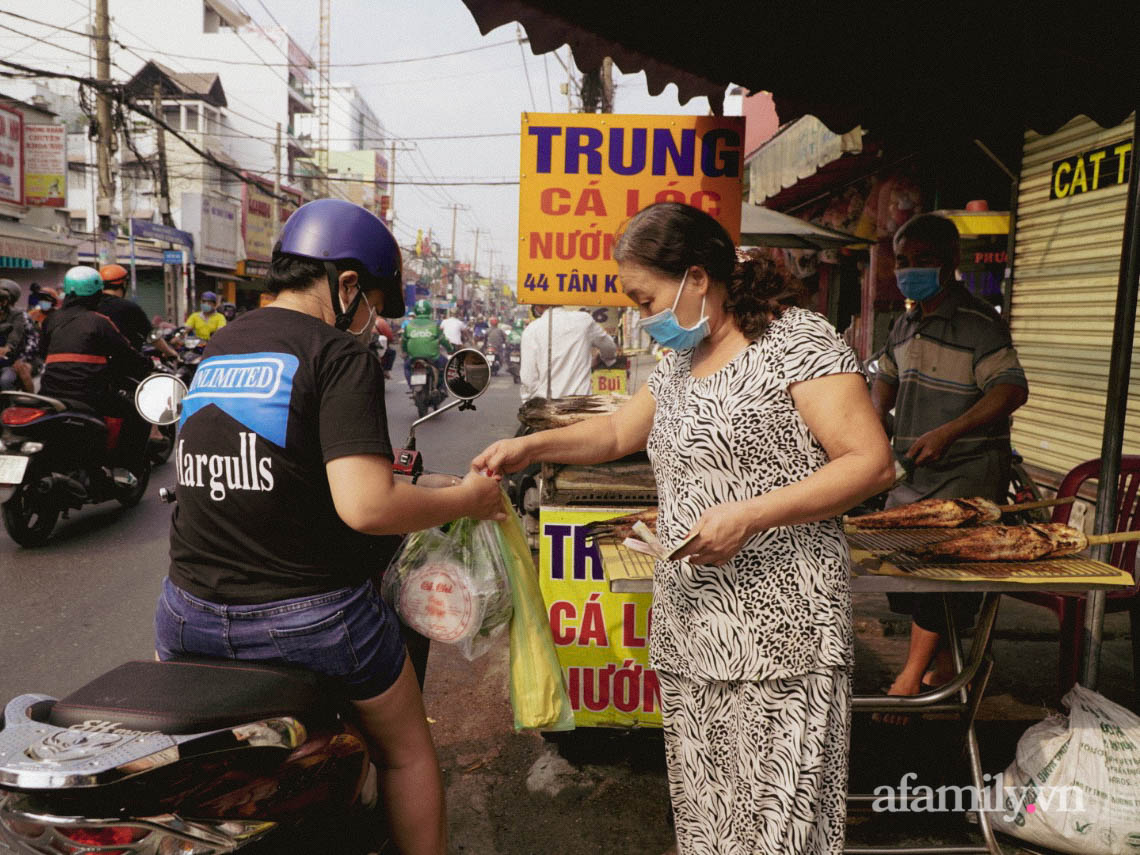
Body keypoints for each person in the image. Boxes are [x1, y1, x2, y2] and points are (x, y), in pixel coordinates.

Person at [475, 203, 895, 855]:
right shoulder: (680, 360)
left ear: (696, 277)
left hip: (780, 634)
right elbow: (617, 430)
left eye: (646, 299)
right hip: (693, 631)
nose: (644, 318)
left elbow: (870, 462)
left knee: (772, 834)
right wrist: (529, 447)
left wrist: (752, 512)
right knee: (708, 825)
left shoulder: (798, 342)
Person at [155, 198, 504, 855]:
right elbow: (367, 506)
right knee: (406, 752)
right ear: (346, 286)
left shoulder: (221, 345)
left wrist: (431, 485)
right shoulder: (339, 354)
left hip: (185, 613)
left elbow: (290, 470)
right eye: (372, 300)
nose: (373, 320)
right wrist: (468, 501)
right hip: (308, 622)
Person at [871, 213, 1028, 723]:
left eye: (922, 260)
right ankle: (949, 669)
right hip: (911, 476)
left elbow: (1010, 388)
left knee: (937, 576)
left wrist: (950, 431)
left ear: (951, 262)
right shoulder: (905, 321)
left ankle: (910, 681)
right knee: (903, 572)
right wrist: (872, 419)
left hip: (966, 475)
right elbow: (885, 380)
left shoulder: (979, 323)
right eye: (904, 261)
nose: (910, 270)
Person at [39, 267, 152, 474]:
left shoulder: (51, 320)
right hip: (89, 395)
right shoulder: (99, 322)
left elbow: (42, 353)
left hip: (50, 393)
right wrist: (146, 364)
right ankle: (124, 471)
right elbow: (126, 354)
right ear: (96, 294)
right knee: (136, 415)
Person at [519, 303, 617, 401]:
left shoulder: (531, 331)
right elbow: (609, 347)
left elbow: (529, 379)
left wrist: (528, 401)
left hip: (547, 406)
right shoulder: (584, 320)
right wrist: (606, 358)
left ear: (538, 306)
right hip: (581, 404)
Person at [98, 264, 179, 362]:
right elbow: (152, 336)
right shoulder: (128, 307)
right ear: (124, 284)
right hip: (125, 364)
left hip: (93, 365)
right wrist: (170, 353)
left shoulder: (90, 305)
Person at [402, 299, 452, 390]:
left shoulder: (408, 326)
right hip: (433, 358)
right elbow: (444, 341)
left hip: (413, 357)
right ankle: (441, 387)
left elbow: (404, 342)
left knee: (406, 367)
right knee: (446, 365)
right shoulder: (434, 325)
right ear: (429, 310)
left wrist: (405, 352)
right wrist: (450, 349)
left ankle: (412, 386)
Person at [0, 280, 31, 391]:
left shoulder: (19, 315)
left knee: (6, 380)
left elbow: (15, 338)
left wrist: (8, 348)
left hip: (13, 359)